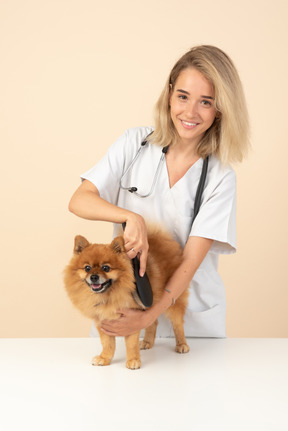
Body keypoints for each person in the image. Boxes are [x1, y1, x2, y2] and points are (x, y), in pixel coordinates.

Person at [69, 45, 249, 338]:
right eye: (183, 97)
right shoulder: (134, 143)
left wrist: (148, 317)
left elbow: (191, 260)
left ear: (220, 109)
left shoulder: (220, 176)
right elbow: (79, 201)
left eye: (206, 102)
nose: (190, 112)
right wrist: (131, 217)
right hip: (123, 304)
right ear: (169, 95)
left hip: (190, 318)